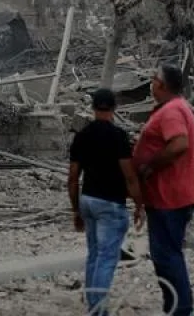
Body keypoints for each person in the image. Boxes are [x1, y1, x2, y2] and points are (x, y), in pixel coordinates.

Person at [68, 88, 145, 315]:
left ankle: (93, 303)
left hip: (88, 200)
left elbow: (72, 178)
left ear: (93, 108)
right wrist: (139, 205)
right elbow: (130, 176)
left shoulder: (81, 136)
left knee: (94, 254)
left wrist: (76, 210)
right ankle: (98, 309)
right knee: (106, 257)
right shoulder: (118, 136)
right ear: (114, 109)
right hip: (110, 203)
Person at [133, 64, 194, 316]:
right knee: (166, 255)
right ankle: (175, 306)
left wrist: (150, 165)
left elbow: (179, 143)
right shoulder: (175, 107)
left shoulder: (172, 111)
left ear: (161, 85)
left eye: (154, 79)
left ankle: (180, 309)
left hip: (169, 196)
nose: (151, 83)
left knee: (166, 255)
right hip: (168, 195)